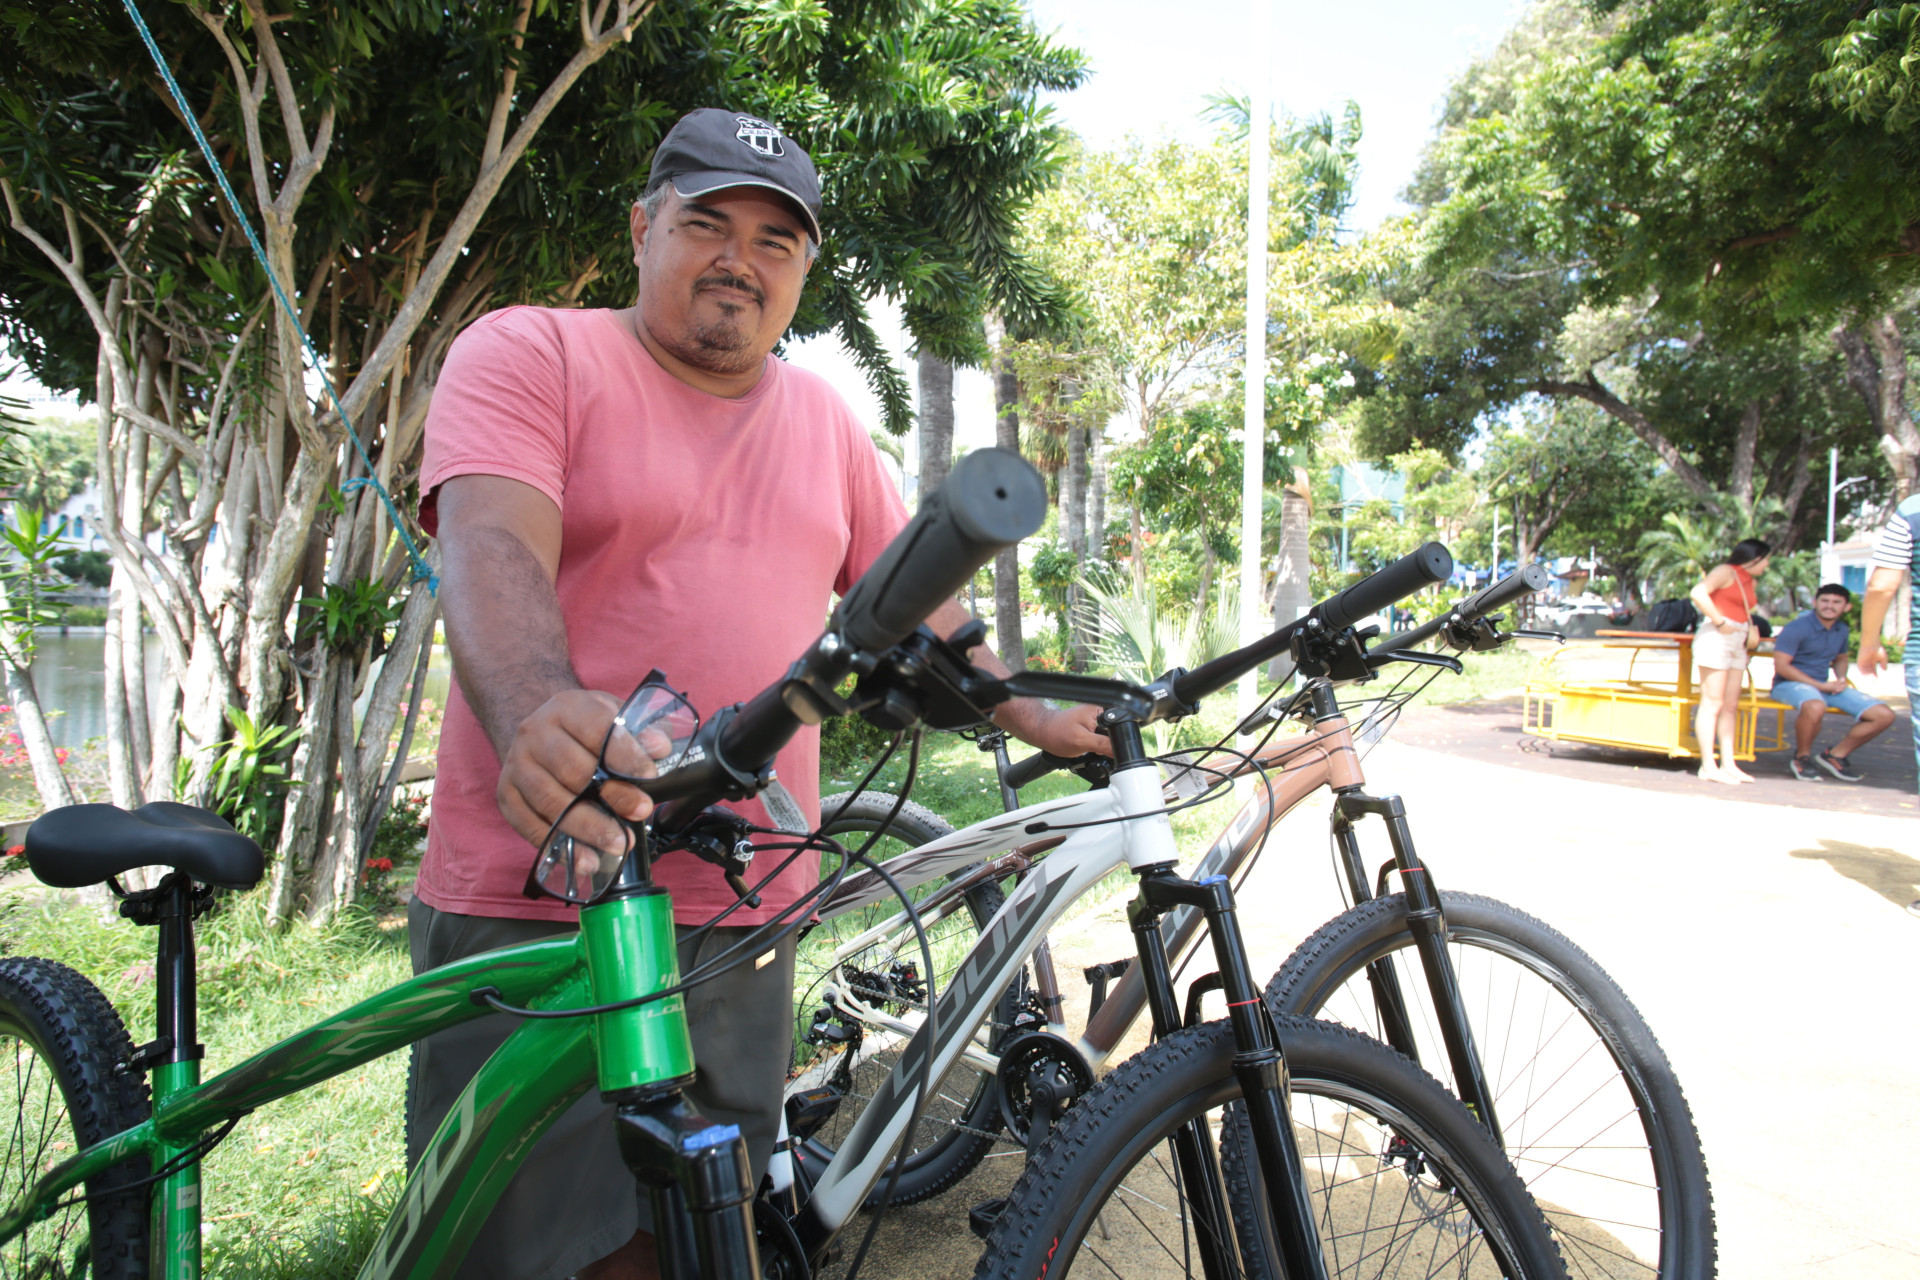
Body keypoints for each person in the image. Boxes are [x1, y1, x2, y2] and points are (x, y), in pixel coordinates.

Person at [409, 108, 1108, 1280]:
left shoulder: (826, 419)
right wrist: (537, 704)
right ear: (642, 230)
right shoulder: (533, 353)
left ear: (803, 273)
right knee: (516, 1249)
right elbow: (491, 547)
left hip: (744, 904)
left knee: (702, 1237)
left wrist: (1034, 711)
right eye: (708, 223)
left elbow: (921, 604)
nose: (741, 257)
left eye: (776, 241)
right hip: (546, 891)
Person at [1769, 583, 1895, 781]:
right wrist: (1820, 686)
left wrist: (1841, 679)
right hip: (1788, 685)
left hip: (1823, 686)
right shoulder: (1797, 627)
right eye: (1825, 601)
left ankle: (1835, 755)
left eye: (1836, 602)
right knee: (1815, 705)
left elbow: (1841, 658)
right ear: (1815, 602)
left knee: (1883, 715)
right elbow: (1782, 666)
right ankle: (1802, 757)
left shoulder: (1841, 629)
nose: (1830, 606)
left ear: (1846, 607)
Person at [1687, 539, 1770, 784]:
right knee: (1712, 701)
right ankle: (1708, 764)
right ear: (1753, 558)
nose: (1767, 564)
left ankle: (1728, 762)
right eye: (1764, 559)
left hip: (1739, 637)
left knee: (1730, 704)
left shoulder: (1749, 580)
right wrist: (1720, 621)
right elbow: (1698, 592)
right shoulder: (1726, 571)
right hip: (1718, 634)